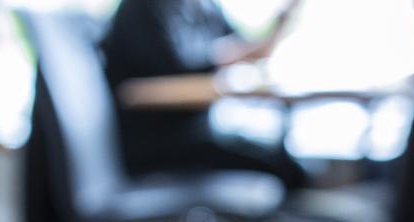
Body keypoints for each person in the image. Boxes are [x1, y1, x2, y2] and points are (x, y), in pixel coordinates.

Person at [100, 0, 306, 187]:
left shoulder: (203, 6)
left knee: (291, 164)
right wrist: (224, 58)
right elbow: (163, 79)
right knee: (281, 168)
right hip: (156, 145)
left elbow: (247, 49)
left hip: (200, 133)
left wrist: (281, 23)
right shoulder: (141, 8)